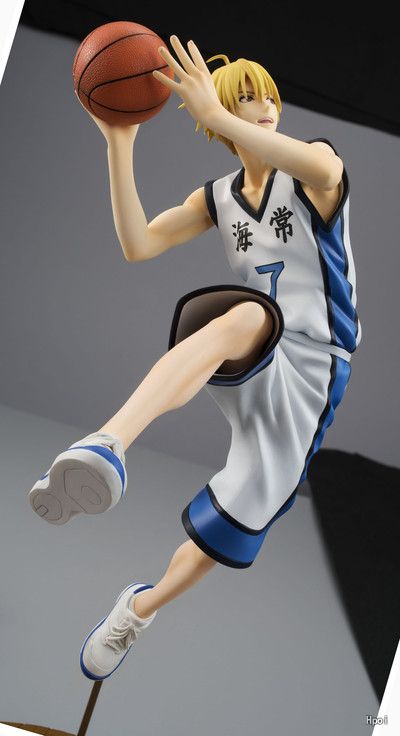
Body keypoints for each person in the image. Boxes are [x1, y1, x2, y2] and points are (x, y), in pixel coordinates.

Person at [28, 35, 361, 680]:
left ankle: (137, 610)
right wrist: (119, 142)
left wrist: (216, 116)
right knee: (243, 315)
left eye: (267, 94)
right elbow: (139, 244)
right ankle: (108, 444)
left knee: (227, 529)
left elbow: (324, 172)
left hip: (315, 370)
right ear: (222, 115)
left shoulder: (316, 165)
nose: (265, 105)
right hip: (256, 340)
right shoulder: (219, 198)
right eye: (246, 97)